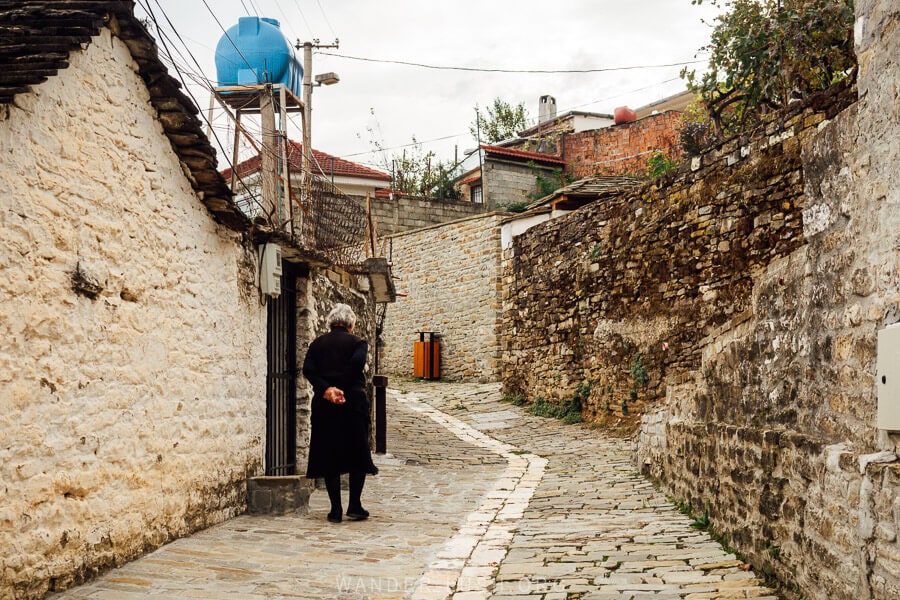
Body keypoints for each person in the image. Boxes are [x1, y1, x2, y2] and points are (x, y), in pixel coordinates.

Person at [302, 303, 378, 523]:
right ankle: (355, 505)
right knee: (357, 452)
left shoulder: (317, 344)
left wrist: (328, 390)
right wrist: (341, 388)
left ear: (330, 323)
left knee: (329, 453)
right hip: (352, 404)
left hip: (325, 405)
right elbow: (356, 365)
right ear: (351, 324)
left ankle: (335, 509)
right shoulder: (359, 343)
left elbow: (308, 370)